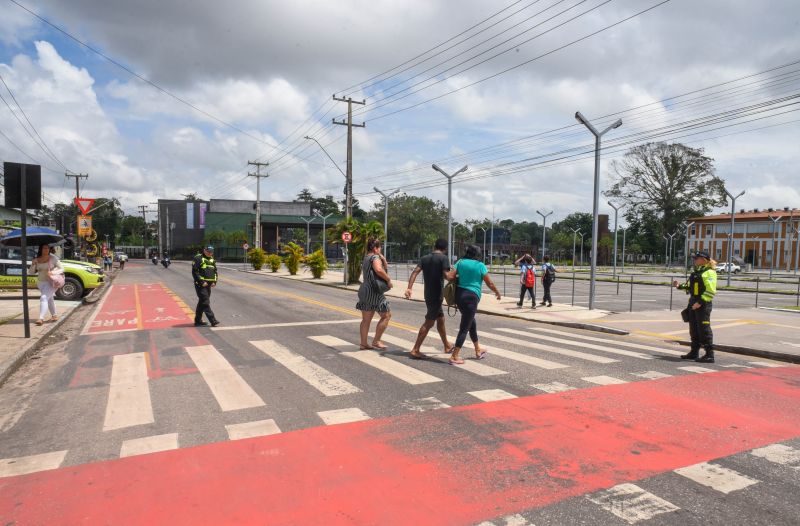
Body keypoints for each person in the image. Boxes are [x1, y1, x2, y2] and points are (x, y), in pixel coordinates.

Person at [445, 244, 501, 365]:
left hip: (459, 296)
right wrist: (497, 292)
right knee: (464, 327)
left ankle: (477, 349)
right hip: (471, 298)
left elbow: (449, 276)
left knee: (471, 322)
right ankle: (454, 356)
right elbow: (489, 283)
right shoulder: (480, 265)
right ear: (477, 254)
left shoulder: (460, 262)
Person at [404, 238, 453, 359]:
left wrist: (409, 288)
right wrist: (457, 275)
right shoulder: (443, 258)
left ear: (434, 246)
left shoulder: (424, 258)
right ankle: (415, 349)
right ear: (445, 248)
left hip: (428, 293)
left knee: (440, 319)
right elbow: (447, 276)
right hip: (437, 295)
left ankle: (446, 345)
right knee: (429, 322)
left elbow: (415, 272)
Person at [673, 250, 718, 363]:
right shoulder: (697, 272)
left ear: (703, 260)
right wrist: (679, 286)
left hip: (703, 304)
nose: (694, 260)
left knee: (704, 329)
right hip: (693, 303)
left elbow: (710, 291)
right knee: (693, 329)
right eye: (694, 258)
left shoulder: (709, 272)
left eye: (696, 258)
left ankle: (709, 354)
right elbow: (689, 286)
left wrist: (700, 302)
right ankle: (694, 352)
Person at [356, 239, 392, 349]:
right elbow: (378, 270)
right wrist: (388, 279)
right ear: (375, 248)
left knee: (366, 319)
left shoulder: (367, 257)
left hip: (364, 289)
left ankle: (363, 343)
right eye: (380, 248)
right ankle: (376, 341)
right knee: (386, 315)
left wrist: (383, 259)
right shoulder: (375, 257)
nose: (381, 250)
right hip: (374, 290)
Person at [29, 244, 63, 326]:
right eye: (44, 248)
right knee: (49, 298)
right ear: (41, 249)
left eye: (48, 248)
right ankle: (54, 316)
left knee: (43, 298)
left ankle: (41, 318)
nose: (46, 249)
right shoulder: (37, 259)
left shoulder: (53, 258)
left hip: (51, 282)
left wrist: (52, 272)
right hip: (41, 283)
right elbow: (31, 272)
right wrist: (33, 264)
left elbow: (62, 269)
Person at [192, 245, 220, 327]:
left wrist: (215, 281)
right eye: (208, 251)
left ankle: (198, 320)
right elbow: (195, 272)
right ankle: (213, 320)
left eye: (211, 251)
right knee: (205, 301)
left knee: (202, 302)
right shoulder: (198, 258)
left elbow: (215, 271)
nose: (210, 253)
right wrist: (201, 281)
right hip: (201, 284)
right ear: (204, 250)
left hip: (209, 284)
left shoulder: (212, 260)